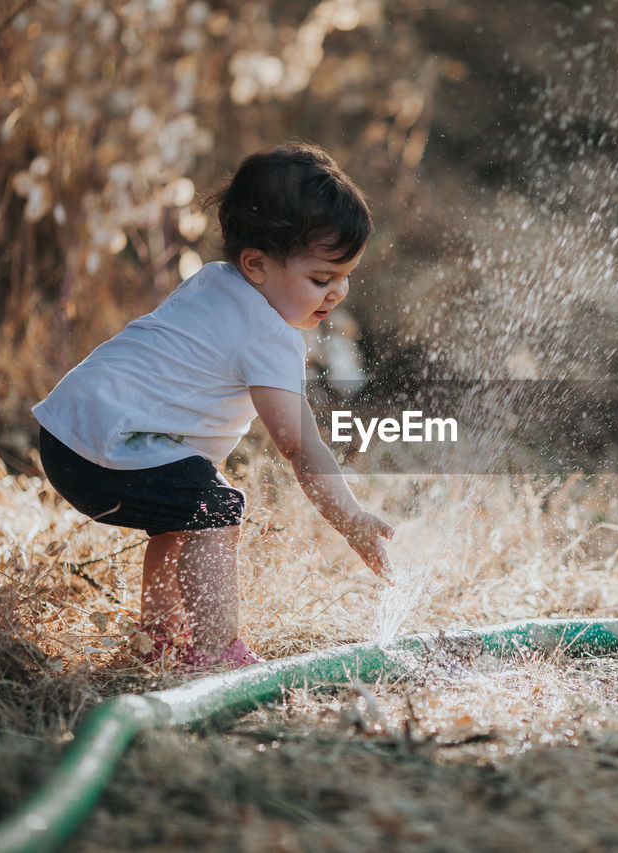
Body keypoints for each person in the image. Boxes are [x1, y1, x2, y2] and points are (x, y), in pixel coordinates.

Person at [33, 142, 393, 668]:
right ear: (256, 264)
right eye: (321, 279)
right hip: (105, 445)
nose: (337, 292)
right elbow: (298, 445)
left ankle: (158, 639)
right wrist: (353, 519)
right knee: (214, 509)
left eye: (344, 276)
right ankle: (217, 651)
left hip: (70, 431)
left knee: (182, 509)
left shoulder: (213, 282)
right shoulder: (268, 333)